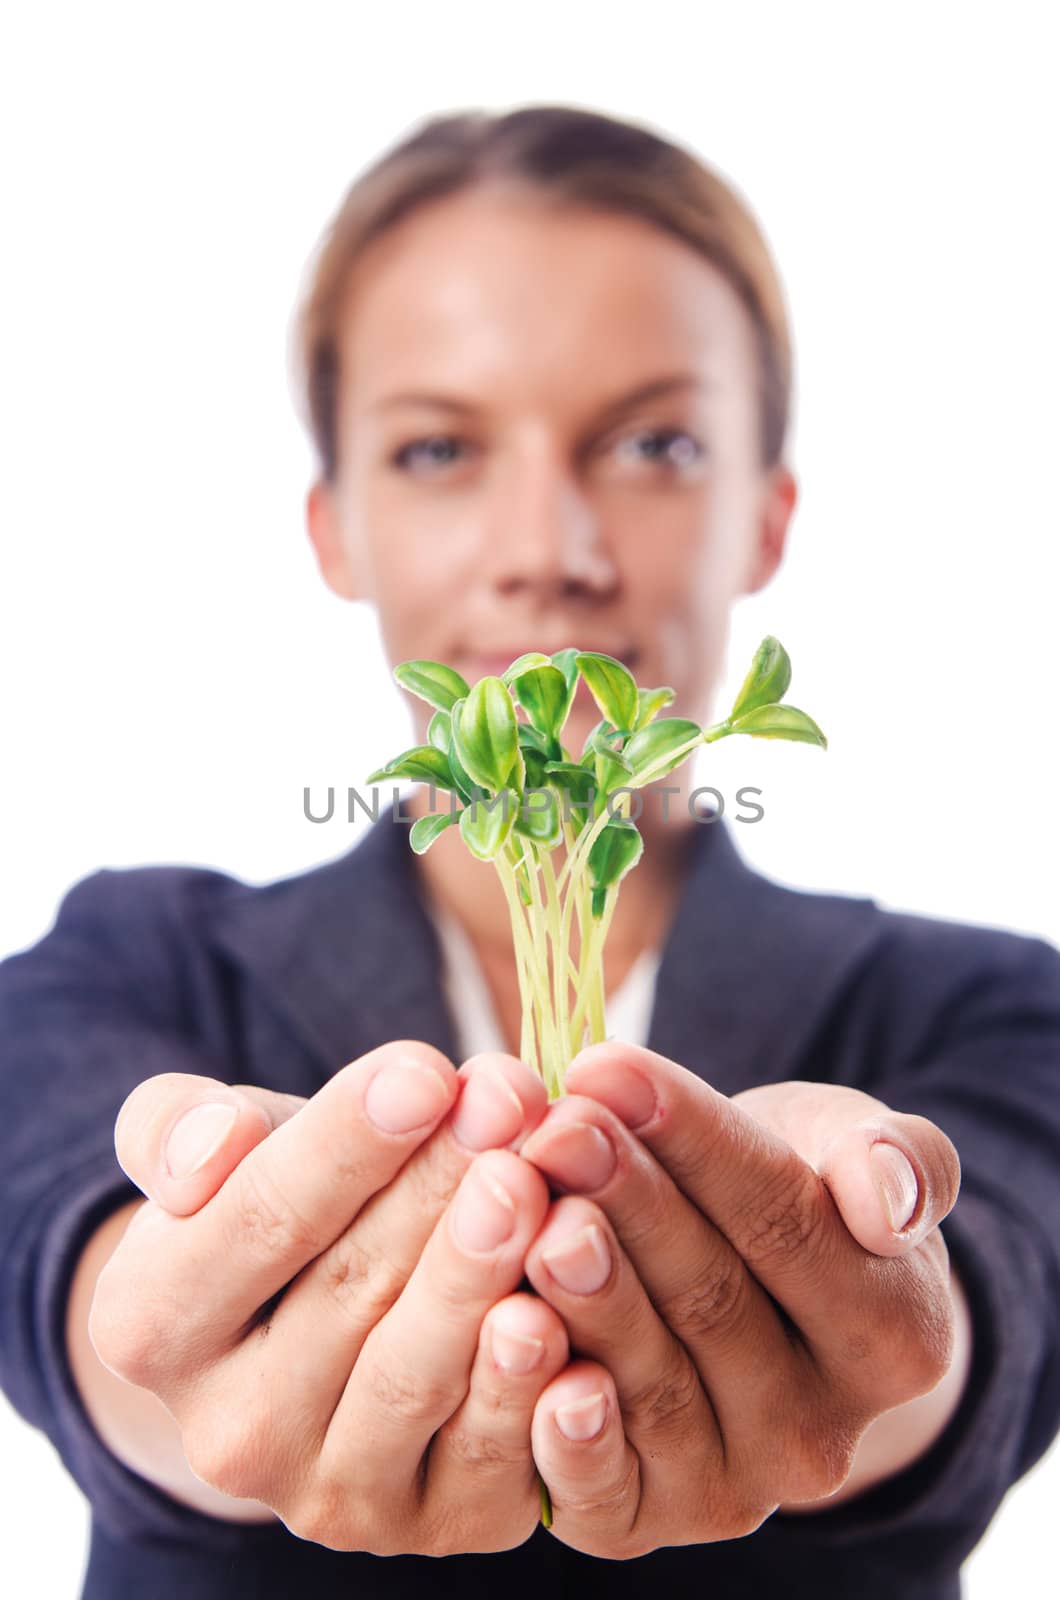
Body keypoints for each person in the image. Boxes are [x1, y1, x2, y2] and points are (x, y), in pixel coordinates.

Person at [1, 103, 1058, 1600]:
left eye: (655, 442)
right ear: (335, 529)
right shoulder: (126, 959)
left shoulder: (979, 1004)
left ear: (767, 516)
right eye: (437, 448)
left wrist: (895, 1321)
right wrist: (177, 1351)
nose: (547, 543)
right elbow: (67, 1265)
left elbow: (999, 1311)